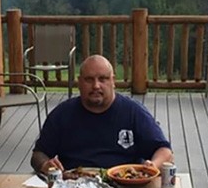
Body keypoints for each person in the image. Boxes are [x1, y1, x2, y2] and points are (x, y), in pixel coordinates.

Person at [30, 55, 173, 174]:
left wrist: (153, 165)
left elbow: (164, 151)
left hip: (126, 186)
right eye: (89, 79)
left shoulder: (134, 112)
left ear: (113, 81)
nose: (96, 86)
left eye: (102, 79)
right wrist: (44, 165)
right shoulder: (62, 114)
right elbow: (38, 154)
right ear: (79, 83)